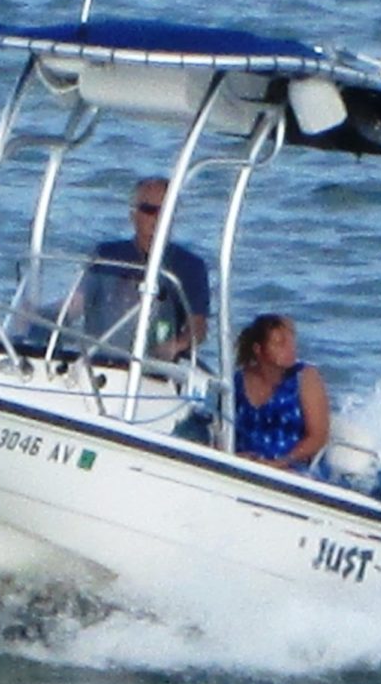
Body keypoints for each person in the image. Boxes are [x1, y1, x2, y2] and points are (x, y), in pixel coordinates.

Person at [84, 176, 210, 359]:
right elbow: (75, 304)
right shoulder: (106, 254)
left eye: (165, 212)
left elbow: (198, 326)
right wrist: (37, 314)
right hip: (101, 358)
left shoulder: (190, 266)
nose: (158, 219)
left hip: (155, 364)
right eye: (149, 210)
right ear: (133, 214)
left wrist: (177, 344)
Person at [232, 313, 330, 470]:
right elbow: (221, 426)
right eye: (280, 344)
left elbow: (318, 437)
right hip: (245, 464)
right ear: (258, 349)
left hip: (294, 467)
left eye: (291, 342)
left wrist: (282, 462)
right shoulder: (238, 381)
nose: (290, 349)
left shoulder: (305, 377)